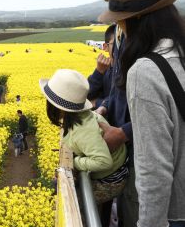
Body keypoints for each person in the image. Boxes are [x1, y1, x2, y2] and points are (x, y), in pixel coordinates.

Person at [98, 0, 185, 227]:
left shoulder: (145, 71)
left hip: (173, 218)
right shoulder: (179, 51)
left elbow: (153, 169)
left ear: (131, 20)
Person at [94, 0, 147, 227]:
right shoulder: (119, 30)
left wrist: (122, 133)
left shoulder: (150, 36)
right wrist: (103, 107)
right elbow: (118, 89)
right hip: (128, 159)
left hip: (146, 162)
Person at [40, 69, 128, 205]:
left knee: (69, 203)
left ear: (59, 108)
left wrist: (74, 162)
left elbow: (104, 161)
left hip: (111, 180)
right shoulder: (80, 118)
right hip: (109, 172)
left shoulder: (83, 130)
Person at [87, 25, 116, 109]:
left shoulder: (132, 70)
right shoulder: (104, 69)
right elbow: (87, 95)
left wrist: (97, 102)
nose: (121, 48)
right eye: (116, 44)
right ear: (105, 47)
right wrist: (98, 72)